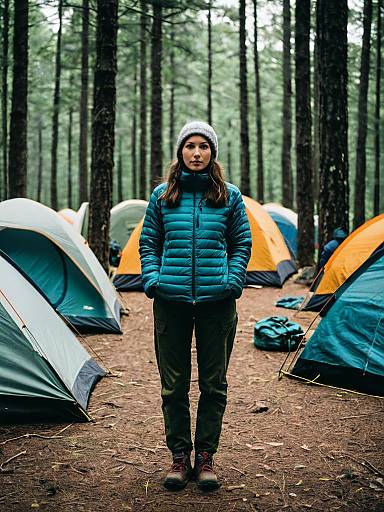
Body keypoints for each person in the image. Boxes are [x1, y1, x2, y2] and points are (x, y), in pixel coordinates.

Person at [139, 121, 252, 491]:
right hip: (170, 302)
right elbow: (149, 243)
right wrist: (153, 279)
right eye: (190, 146)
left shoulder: (229, 196)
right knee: (173, 387)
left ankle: (205, 457)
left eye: (204, 146)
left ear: (213, 152)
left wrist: (232, 281)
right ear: (180, 152)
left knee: (214, 384)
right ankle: (178, 456)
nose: (197, 153)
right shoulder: (162, 196)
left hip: (216, 304)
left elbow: (241, 244)